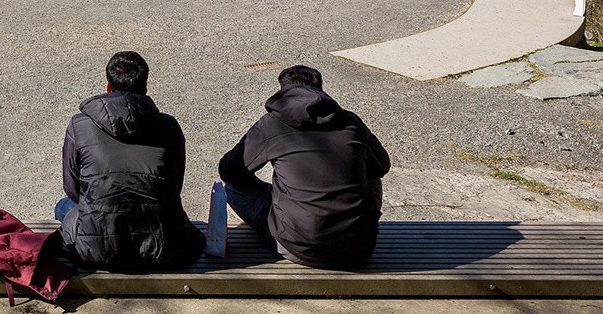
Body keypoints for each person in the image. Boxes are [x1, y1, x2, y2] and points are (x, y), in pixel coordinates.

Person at [218, 64, 390, 268]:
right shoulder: (350, 121)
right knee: (372, 175)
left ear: (283, 90)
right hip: (358, 247)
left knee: (233, 188)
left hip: (298, 246)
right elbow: (382, 166)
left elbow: (229, 171)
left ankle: (290, 222)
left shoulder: (272, 124)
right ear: (321, 88)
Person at [57, 50, 200, 270]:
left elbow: (72, 189)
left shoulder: (79, 125)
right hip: (162, 247)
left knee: (64, 206)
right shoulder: (169, 126)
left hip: (97, 250)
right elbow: (174, 186)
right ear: (145, 88)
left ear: (107, 86)